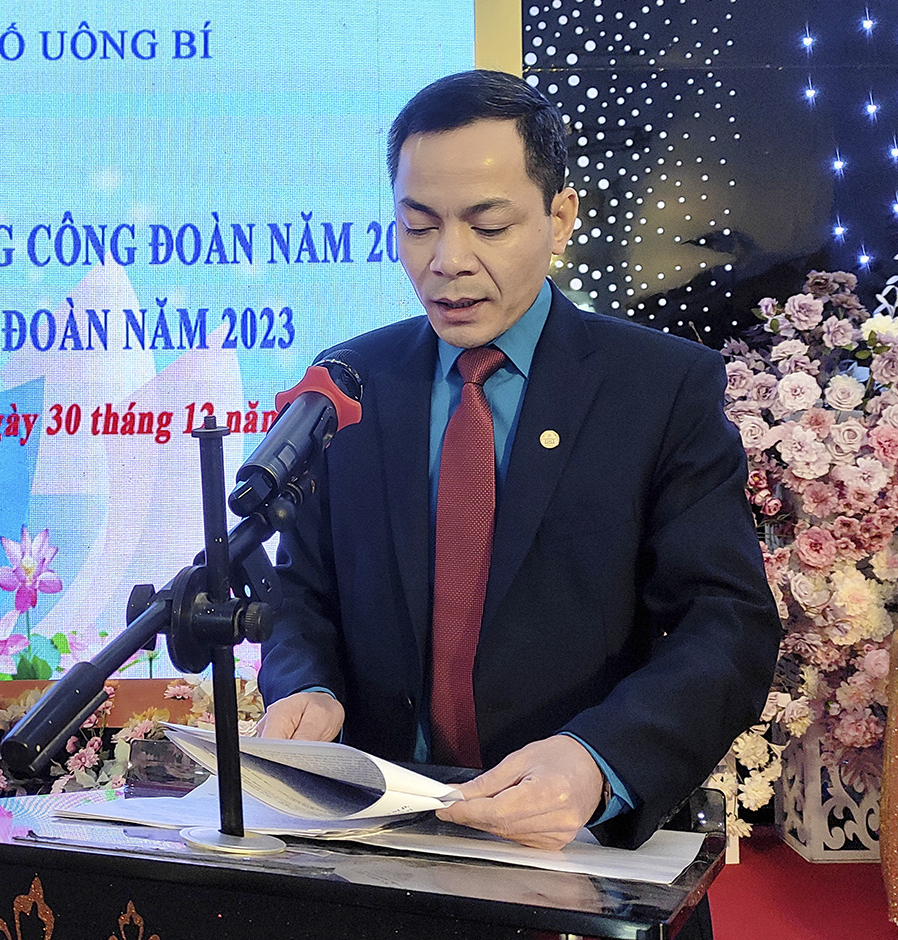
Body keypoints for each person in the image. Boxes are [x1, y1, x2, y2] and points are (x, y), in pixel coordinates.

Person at [258, 70, 780, 874]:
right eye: (418, 226)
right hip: (376, 842)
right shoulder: (353, 382)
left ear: (559, 217)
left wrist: (597, 761)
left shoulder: (659, 389)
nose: (447, 261)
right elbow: (301, 592)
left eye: (489, 225)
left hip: (575, 845)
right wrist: (306, 686)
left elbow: (727, 624)